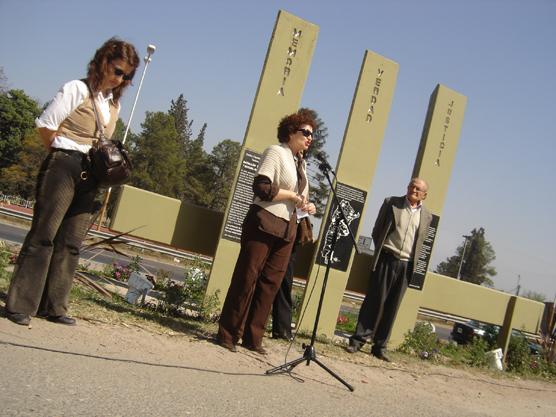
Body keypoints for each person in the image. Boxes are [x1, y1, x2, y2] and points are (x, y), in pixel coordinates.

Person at [5, 38, 140, 326]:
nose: (121, 79)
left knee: (71, 243)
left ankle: (54, 306)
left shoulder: (111, 104)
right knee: (44, 235)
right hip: (64, 165)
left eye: (127, 76)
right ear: (103, 63)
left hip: (91, 174)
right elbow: (45, 125)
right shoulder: (76, 89)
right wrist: (61, 155)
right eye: (118, 71)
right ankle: (20, 303)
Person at [217, 110, 316, 354]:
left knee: (270, 284)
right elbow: (261, 187)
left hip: (287, 230)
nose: (309, 138)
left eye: (312, 135)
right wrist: (292, 196)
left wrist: (307, 204)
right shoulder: (276, 152)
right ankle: (228, 334)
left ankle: (253, 338)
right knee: (247, 277)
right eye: (305, 133)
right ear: (291, 132)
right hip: (263, 222)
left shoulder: (301, 166)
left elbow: (298, 198)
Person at [346, 178, 432, 361]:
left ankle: (380, 347)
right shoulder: (391, 203)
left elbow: (421, 242)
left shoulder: (427, 216)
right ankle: (358, 340)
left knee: (393, 307)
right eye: (411, 186)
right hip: (387, 258)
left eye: (418, 189)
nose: (413, 190)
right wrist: (384, 250)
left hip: (406, 265)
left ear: (424, 194)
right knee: (374, 301)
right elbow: (377, 230)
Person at [271, 187, 315, 341]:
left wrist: (310, 207)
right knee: (263, 279)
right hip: (275, 226)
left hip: (293, 233)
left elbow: (302, 203)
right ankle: (250, 323)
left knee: (285, 282)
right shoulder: (288, 166)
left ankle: (282, 329)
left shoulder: (303, 173)